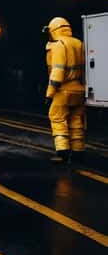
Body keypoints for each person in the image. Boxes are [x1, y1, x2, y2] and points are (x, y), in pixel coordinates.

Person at [43, 17, 86, 163]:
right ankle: (78, 150)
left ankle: (63, 152)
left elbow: (57, 71)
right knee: (76, 120)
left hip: (63, 90)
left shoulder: (58, 45)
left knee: (57, 118)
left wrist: (49, 93)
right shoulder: (79, 43)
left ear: (54, 30)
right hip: (79, 89)